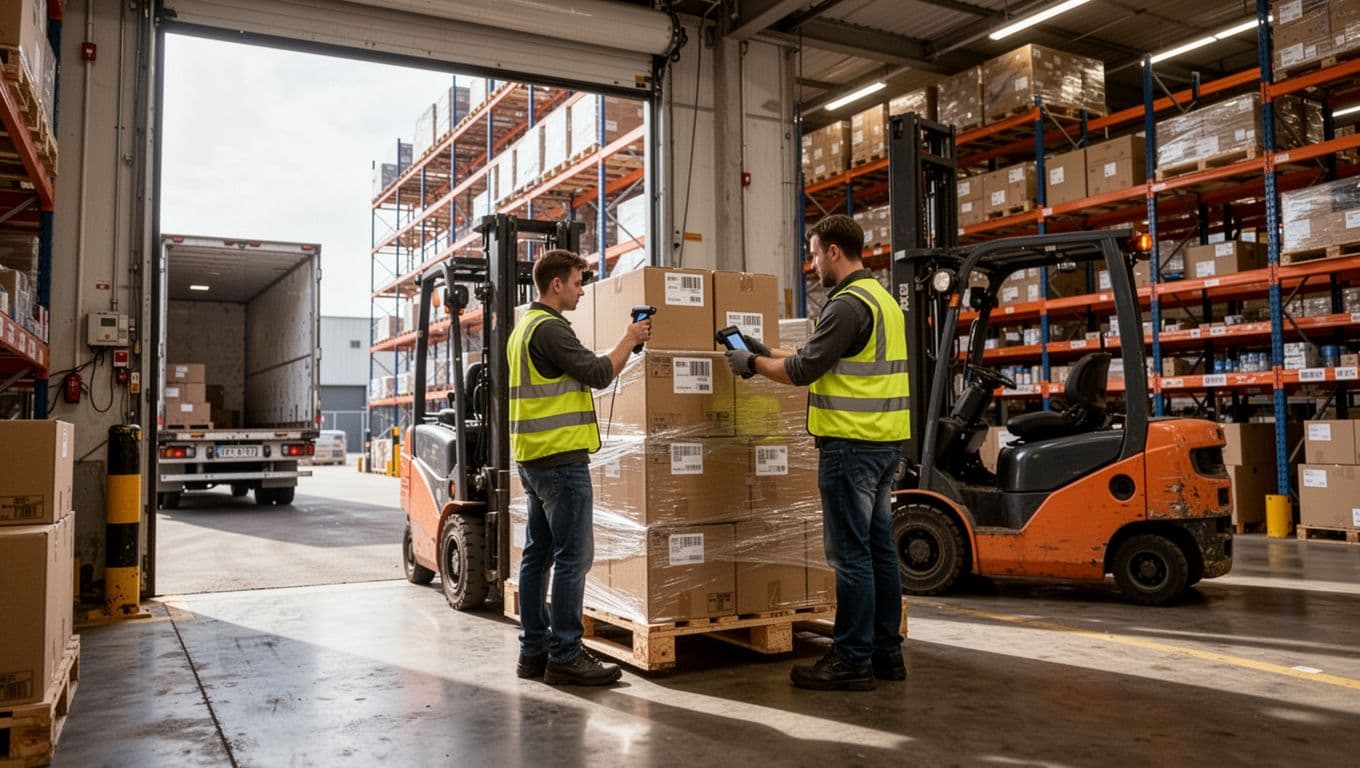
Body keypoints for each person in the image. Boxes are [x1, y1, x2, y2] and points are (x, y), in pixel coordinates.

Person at [724, 214, 909, 691]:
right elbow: (826, 360)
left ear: (832, 252)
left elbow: (805, 371)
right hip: (885, 444)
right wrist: (766, 350)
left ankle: (851, 659)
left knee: (851, 557)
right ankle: (887, 653)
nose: (811, 265)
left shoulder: (846, 304)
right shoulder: (883, 300)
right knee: (879, 551)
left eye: (813, 254)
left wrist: (751, 364)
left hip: (851, 447)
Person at [508, 249, 652, 686]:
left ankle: (533, 652)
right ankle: (565, 654)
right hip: (561, 462)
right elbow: (597, 372)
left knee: (538, 555)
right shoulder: (550, 329)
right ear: (556, 285)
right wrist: (630, 339)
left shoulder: (523, 329)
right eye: (576, 282)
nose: (581, 290)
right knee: (573, 558)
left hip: (533, 459)